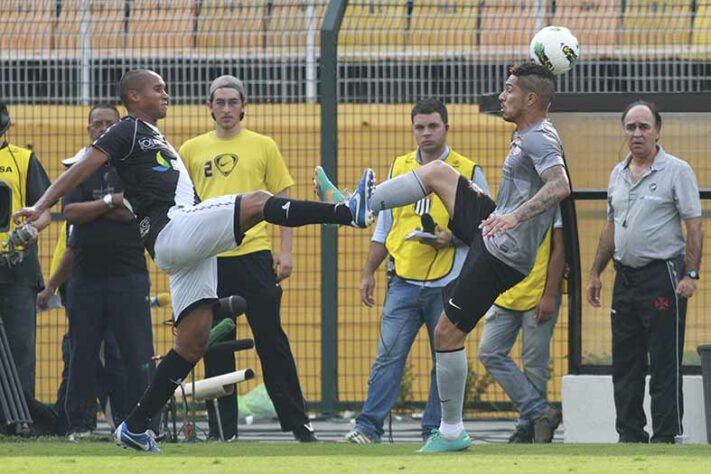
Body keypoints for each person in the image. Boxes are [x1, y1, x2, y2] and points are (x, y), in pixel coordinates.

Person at [13, 69, 375, 452]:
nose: (166, 94)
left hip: (184, 243)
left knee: (193, 342)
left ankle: (135, 426)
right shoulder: (127, 129)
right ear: (135, 97)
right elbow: (85, 165)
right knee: (256, 201)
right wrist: (41, 205)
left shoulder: (156, 137)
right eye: (158, 89)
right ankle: (346, 212)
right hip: (174, 229)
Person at [316, 62, 571, 452]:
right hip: (492, 230)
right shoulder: (529, 133)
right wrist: (503, 214)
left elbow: (560, 186)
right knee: (437, 172)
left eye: (509, 90)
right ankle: (356, 208)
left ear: (531, 99)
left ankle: (451, 432)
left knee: (446, 335)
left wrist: (514, 216)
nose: (502, 96)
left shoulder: (539, 139)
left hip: (502, 252)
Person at [329, 98, 490, 444]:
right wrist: (368, 270)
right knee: (388, 357)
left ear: (447, 128)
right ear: (412, 128)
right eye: (420, 127)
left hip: (449, 281)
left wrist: (452, 239)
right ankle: (368, 428)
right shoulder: (399, 166)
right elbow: (385, 225)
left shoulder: (468, 169)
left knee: (443, 359)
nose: (426, 133)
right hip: (402, 280)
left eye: (433, 126)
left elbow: (485, 229)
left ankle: (435, 429)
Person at [179, 75, 315, 442]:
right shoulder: (191, 149)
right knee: (216, 342)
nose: (226, 109)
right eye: (219, 102)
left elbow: (282, 201)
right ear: (209, 107)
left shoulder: (263, 146)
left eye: (232, 102)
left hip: (255, 254)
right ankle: (223, 430)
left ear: (243, 106)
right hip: (211, 259)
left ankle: (298, 423)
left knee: (272, 340)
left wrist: (284, 252)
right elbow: (184, 206)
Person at [587, 100, 703, 444]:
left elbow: (694, 227)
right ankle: (630, 435)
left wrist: (691, 275)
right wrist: (596, 271)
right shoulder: (616, 173)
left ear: (657, 131)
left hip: (663, 278)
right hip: (625, 278)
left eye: (644, 127)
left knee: (665, 362)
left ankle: (667, 436)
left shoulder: (677, 170)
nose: (637, 133)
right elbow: (611, 227)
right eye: (631, 127)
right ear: (624, 131)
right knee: (625, 363)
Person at [38, 104, 138, 439]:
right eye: (97, 124)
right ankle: (76, 424)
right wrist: (110, 203)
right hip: (83, 279)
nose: (103, 129)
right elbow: (71, 217)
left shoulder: (131, 170)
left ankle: (127, 423)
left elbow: (130, 212)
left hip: (123, 275)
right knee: (80, 353)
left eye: (110, 124)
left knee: (119, 352)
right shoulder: (79, 172)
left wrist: (95, 210)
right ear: (88, 129)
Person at [478, 211, 564, 443]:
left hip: (539, 293)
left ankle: (529, 429)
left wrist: (549, 294)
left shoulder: (552, 203)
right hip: (505, 292)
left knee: (535, 364)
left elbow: (559, 250)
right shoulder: (505, 200)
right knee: (489, 351)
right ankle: (540, 413)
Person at [0, 101, 52, 403]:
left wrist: (31, 229)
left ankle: (20, 415)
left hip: (17, 267)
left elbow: (42, 210)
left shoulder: (23, 159)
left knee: (21, 346)